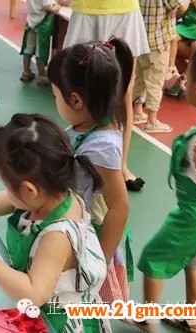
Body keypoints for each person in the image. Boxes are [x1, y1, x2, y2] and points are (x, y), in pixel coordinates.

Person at [0, 113, 110, 333]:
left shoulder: (56, 237)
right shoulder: (53, 193)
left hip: (55, 320)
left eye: (3, 183)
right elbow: (12, 201)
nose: (3, 189)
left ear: (29, 190)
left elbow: (34, 293)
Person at [129, 39, 196, 333]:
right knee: (194, 263)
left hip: (195, 217)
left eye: (186, 78)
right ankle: (193, 320)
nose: (182, 81)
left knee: (153, 258)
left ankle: (146, 317)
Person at [47, 38, 132, 305]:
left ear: (75, 100)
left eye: (55, 96)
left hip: (88, 239)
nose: (55, 103)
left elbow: (119, 208)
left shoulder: (100, 148)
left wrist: (97, 265)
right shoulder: (93, 122)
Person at [61, 0, 150, 191]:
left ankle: (120, 165)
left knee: (124, 90)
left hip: (124, 10)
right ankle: (74, 153)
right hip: (87, 9)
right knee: (76, 84)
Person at [133, 0, 189, 134]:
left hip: (140, 37)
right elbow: (180, 8)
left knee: (139, 76)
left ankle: (137, 110)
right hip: (158, 40)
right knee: (155, 81)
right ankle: (152, 121)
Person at [165, 0, 196, 89]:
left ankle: (188, 76)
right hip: (185, 25)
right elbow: (177, 15)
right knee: (171, 36)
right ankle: (171, 66)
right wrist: (183, 7)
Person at [19, 0, 60, 85]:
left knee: (28, 48)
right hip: (42, 23)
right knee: (41, 51)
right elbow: (47, 7)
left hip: (30, 21)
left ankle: (26, 72)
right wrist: (57, 6)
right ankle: (42, 76)